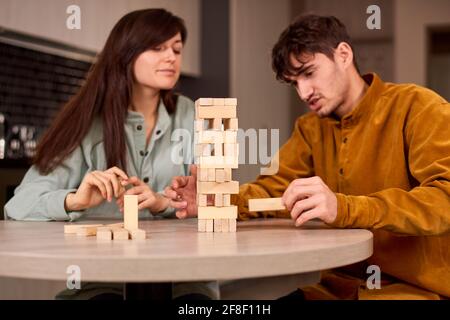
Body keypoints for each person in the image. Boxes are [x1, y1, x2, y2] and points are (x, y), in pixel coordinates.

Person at [165, 14, 450, 300]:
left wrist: (345, 208)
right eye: (294, 82)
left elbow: (444, 199)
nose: (303, 92)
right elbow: (273, 189)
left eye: (309, 73)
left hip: (414, 291)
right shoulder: (310, 129)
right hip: (334, 289)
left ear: (343, 54)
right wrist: (220, 200)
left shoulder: (418, 106)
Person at [4, 8, 218, 300]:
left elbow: (223, 204)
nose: (171, 57)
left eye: (177, 49)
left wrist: (163, 203)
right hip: (101, 284)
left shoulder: (195, 115)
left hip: (185, 281)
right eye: (157, 48)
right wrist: (74, 200)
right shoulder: (86, 122)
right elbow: (19, 205)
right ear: (126, 53)